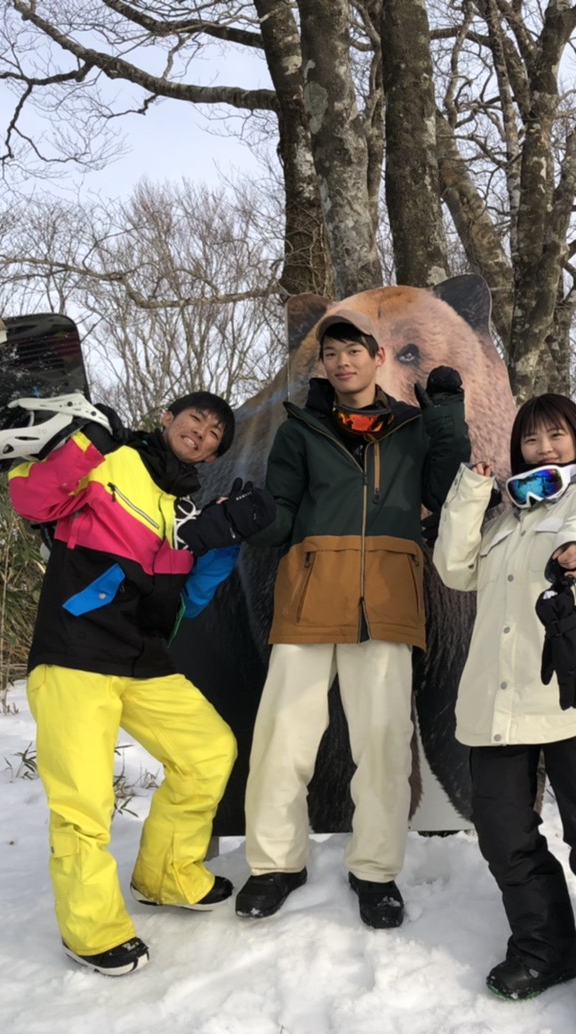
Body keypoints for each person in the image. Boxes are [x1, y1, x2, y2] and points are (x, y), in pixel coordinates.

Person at [2, 391, 275, 976]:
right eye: (196, 420)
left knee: (208, 752)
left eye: (214, 435)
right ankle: (92, 931)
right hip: (76, 653)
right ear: (168, 419)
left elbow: (188, 602)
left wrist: (223, 539)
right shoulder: (112, 460)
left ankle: (167, 875)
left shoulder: (184, 512)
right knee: (83, 802)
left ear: (212, 456)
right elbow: (31, 497)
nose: (202, 433)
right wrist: (87, 444)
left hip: (143, 659)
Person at [235, 308, 471, 929]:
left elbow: (446, 491)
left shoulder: (412, 428)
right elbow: (282, 514)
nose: (342, 362)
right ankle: (275, 865)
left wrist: (448, 418)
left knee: (384, 745)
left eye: (354, 351)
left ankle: (375, 871)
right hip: (309, 598)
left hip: (388, 601)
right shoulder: (300, 429)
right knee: (283, 741)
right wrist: (252, 519)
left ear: (377, 357)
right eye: (332, 354)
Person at [432, 393, 576, 1034]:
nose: (544, 448)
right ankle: (545, 949)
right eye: (531, 440)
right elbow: (453, 568)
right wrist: (471, 493)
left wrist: (575, 551)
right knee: (505, 835)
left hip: (571, 700)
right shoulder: (504, 519)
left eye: (556, 435)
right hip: (496, 703)